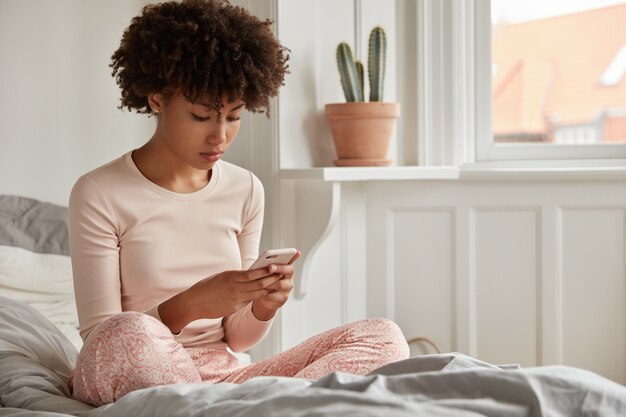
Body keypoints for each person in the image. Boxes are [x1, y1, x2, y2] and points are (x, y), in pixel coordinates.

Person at [68, 0, 409, 407]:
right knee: (128, 333)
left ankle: (243, 407)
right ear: (156, 98)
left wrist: (262, 305)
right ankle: (259, 407)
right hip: (136, 364)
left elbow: (237, 336)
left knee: (381, 336)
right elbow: (101, 339)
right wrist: (189, 306)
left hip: (229, 379)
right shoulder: (99, 192)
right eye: (201, 117)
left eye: (233, 117)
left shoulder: (245, 189)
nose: (220, 137)